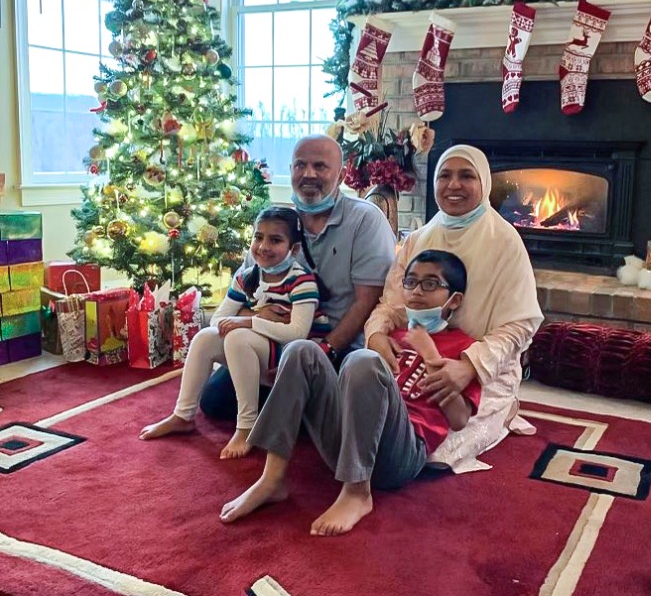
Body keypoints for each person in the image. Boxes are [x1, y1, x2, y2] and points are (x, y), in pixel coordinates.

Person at [219, 249, 480, 535]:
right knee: (301, 350)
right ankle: (272, 479)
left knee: (362, 360)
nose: (417, 291)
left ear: (454, 299)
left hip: (400, 455)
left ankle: (357, 492)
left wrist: (430, 355)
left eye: (430, 284)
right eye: (411, 282)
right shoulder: (389, 336)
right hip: (349, 444)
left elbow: (459, 419)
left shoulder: (464, 347)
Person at [365, 144, 544, 473]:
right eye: (444, 175)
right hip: (417, 358)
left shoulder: (505, 242)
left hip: (482, 372)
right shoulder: (419, 238)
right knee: (378, 429)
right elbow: (390, 304)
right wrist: (376, 334)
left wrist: (469, 367)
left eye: (466, 176)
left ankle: (504, 408)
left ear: (484, 183)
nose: (454, 185)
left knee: (434, 453)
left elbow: (521, 325)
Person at [198, 134, 397, 419]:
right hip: (276, 341)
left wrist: (325, 348)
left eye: (320, 166)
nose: (309, 174)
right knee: (214, 402)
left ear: (340, 175)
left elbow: (367, 302)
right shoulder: (278, 222)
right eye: (300, 165)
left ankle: (302, 407)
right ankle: (296, 407)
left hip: (337, 346)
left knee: (325, 403)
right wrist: (260, 316)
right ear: (290, 170)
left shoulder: (365, 220)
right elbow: (247, 286)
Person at [139, 206, 330, 459]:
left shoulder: (301, 281)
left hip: (292, 357)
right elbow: (217, 320)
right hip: (261, 347)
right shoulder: (247, 277)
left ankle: (247, 426)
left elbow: (296, 333)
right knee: (205, 338)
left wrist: (247, 324)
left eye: (275, 240)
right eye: (258, 237)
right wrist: (255, 317)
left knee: (238, 337)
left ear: (293, 249)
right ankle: (183, 415)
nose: (263, 246)